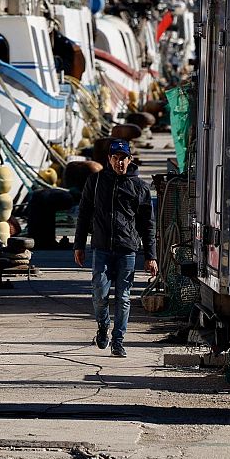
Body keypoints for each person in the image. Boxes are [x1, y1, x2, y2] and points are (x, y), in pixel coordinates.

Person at [73, 138, 157, 357]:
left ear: (130, 160)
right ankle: (103, 325)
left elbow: (147, 224)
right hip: (101, 249)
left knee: (124, 297)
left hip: (127, 249)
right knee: (99, 294)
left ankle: (118, 341)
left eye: (123, 159)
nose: (120, 163)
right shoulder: (96, 181)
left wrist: (151, 256)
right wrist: (79, 245)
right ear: (109, 159)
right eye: (116, 158)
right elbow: (83, 214)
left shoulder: (139, 187)